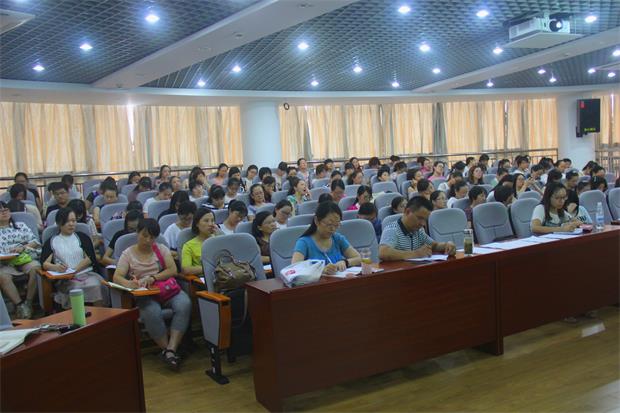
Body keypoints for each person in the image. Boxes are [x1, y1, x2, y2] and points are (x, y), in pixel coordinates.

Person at [114, 218, 191, 370]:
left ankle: (171, 349)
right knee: (152, 312)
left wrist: (153, 277)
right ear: (137, 233)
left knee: (185, 303)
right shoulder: (128, 254)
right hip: (146, 295)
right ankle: (168, 351)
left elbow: (172, 270)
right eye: (144, 235)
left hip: (166, 289)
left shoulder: (161, 249)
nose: (148, 240)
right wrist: (129, 284)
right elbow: (117, 276)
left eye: (152, 237)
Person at [41, 208, 104, 308]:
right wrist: (56, 267)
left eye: (73, 221)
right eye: (67, 221)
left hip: (85, 274)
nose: (71, 224)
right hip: (65, 279)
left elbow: (89, 258)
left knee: (96, 285)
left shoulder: (82, 237)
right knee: (75, 288)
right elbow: (45, 264)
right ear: (59, 223)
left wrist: (74, 270)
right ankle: (77, 316)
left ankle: (99, 314)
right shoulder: (52, 241)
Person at [291, 202, 361, 275]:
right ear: (316, 221)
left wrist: (345, 262)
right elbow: (295, 268)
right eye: (329, 224)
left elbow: (358, 258)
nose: (333, 229)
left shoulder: (337, 238)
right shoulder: (304, 242)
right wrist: (321, 270)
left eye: (336, 225)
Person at [379, 196, 456, 261]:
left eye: (425, 220)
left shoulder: (418, 230)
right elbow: (383, 253)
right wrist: (415, 254)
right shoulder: (392, 229)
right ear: (408, 212)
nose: (423, 223)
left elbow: (434, 246)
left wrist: (447, 245)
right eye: (420, 218)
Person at [0, 202, 41, 319]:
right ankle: (20, 305)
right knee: (2, 276)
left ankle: (28, 302)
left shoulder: (20, 225)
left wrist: (22, 247)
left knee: (36, 268)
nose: (4, 212)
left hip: (24, 258)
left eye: (6, 209)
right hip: (4, 263)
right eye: (0, 211)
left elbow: (35, 242)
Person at [182, 208, 221, 276]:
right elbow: (186, 269)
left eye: (212, 221)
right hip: (204, 278)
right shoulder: (189, 245)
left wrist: (219, 238)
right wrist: (211, 268)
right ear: (197, 223)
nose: (210, 224)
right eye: (206, 221)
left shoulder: (218, 239)